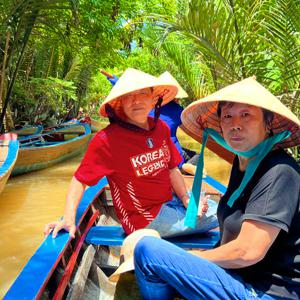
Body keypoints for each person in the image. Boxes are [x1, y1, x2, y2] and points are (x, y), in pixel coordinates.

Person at [133, 77, 300, 300]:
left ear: (268, 123)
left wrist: (194, 257)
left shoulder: (280, 170)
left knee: (147, 251)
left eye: (246, 114)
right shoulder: (242, 163)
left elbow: (248, 251)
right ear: (220, 124)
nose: (235, 123)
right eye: (228, 116)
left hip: (264, 293)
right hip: (239, 279)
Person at [44, 68, 218, 238]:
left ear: (153, 100)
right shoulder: (106, 140)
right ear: (120, 103)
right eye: (128, 96)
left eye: (142, 93)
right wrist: (68, 218)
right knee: (221, 213)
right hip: (143, 219)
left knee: (214, 206)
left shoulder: (161, 129)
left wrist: (186, 199)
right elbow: (80, 180)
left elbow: (172, 170)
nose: (136, 101)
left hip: (170, 201)